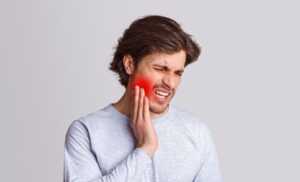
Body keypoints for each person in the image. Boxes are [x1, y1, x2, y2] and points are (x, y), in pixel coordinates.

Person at [64, 15, 221, 182]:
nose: (170, 83)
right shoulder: (86, 131)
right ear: (130, 64)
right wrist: (145, 150)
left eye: (178, 73)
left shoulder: (197, 133)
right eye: (160, 68)